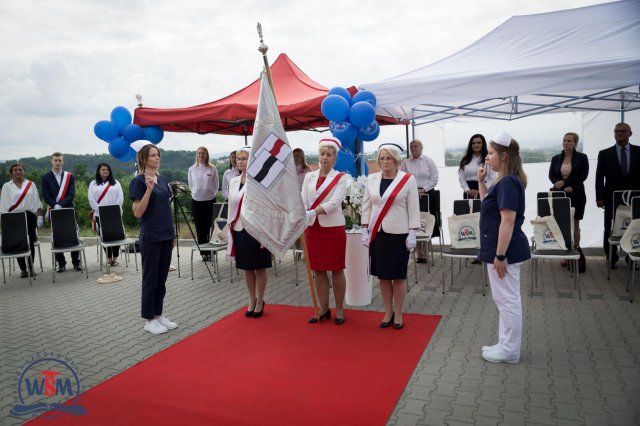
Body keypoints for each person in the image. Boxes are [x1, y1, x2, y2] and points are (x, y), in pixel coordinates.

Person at [477, 131, 530, 364]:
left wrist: (500, 255)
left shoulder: (508, 182)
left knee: (507, 300)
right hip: (500, 249)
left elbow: (507, 220)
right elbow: (488, 206)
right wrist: (481, 182)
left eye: (490, 153)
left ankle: (509, 350)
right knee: (504, 300)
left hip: (503, 251)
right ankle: (505, 345)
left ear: (505, 156)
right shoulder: (505, 181)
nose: (488, 158)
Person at [362, 143, 420, 329]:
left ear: (397, 161)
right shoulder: (371, 179)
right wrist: (364, 228)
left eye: (389, 158)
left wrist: (413, 232)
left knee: (398, 276)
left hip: (399, 234)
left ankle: (399, 313)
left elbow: (413, 208)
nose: (385, 162)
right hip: (378, 233)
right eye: (382, 158)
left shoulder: (407, 179)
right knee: (383, 276)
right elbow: (366, 206)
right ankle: (388, 312)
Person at [130, 143, 177, 335]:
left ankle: (158, 315)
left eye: (158, 155)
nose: (157, 158)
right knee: (150, 279)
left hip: (166, 234)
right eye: (152, 155)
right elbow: (137, 212)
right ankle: (149, 319)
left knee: (161, 279)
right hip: (151, 236)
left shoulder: (163, 178)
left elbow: (165, 209)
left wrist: (172, 233)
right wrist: (149, 190)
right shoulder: (138, 182)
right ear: (143, 159)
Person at [301, 138, 349, 325]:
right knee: (318, 270)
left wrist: (312, 211)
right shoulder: (308, 177)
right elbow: (303, 199)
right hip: (313, 228)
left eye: (329, 155)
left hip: (333, 229)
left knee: (337, 269)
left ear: (335, 158)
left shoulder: (341, 178)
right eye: (322, 154)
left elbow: (334, 202)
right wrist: (305, 214)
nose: (325, 158)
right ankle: (323, 308)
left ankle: (339, 309)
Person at [227, 147, 271, 318]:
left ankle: (260, 300)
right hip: (239, 228)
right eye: (238, 158)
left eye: (244, 158)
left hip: (256, 229)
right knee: (247, 268)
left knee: (259, 267)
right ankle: (251, 299)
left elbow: (266, 207)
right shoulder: (233, 181)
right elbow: (232, 205)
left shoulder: (260, 181)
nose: (240, 161)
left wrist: (266, 232)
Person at [595, 122, 640, 269]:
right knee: (609, 227)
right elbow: (599, 177)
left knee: (633, 226)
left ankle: (631, 256)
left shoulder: (638, 151)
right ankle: (611, 257)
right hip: (611, 197)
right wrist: (599, 197)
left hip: (635, 197)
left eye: (623, 131)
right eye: (617, 131)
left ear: (630, 133)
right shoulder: (604, 154)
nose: (619, 133)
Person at [548, 132, 589, 271]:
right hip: (560, 195)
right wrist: (560, 184)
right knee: (562, 224)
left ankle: (576, 250)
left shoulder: (582, 158)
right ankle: (565, 253)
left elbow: (583, 175)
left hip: (577, 194)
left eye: (569, 141)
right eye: (564, 140)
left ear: (575, 143)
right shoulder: (556, 158)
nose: (566, 143)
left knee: (576, 223)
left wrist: (568, 183)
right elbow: (551, 175)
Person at [0, 163, 43, 277]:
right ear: (11, 172)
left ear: (24, 171)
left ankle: (31, 267)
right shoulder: (7, 186)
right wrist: (5, 222)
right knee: (19, 243)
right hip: (14, 217)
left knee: (30, 243)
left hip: (29, 216)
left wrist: (39, 216)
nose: (18, 172)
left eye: (20, 169)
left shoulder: (30, 184)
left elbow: (37, 201)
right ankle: (23, 269)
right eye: (15, 170)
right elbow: (3, 205)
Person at [41, 152, 81, 272]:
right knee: (56, 237)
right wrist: (55, 205)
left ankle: (76, 262)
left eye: (60, 160)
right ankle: (61, 263)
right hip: (54, 211)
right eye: (55, 160)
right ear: (51, 161)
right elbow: (46, 196)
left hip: (68, 210)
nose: (58, 162)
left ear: (62, 162)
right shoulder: (45, 177)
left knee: (73, 235)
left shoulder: (70, 176)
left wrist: (61, 205)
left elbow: (71, 194)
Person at [400, 139, 438, 263]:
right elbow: (402, 178)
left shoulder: (428, 161)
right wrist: (413, 191)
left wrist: (424, 190)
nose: (413, 148)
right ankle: (418, 254)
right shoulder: (406, 163)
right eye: (411, 146)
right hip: (411, 195)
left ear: (421, 148)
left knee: (427, 222)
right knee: (414, 222)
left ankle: (425, 253)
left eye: (416, 146)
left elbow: (434, 178)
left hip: (427, 194)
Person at [88, 163, 125, 266]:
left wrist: (114, 210)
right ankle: (108, 257)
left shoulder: (116, 182)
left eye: (107, 169)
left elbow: (120, 197)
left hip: (115, 214)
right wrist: (101, 211)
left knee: (115, 236)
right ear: (99, 171)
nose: (105, 171)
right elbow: (91, 199)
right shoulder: (93, 184)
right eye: (103, 169)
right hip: (100, 214)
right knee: (104, 236)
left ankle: (116, 257)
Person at [188, 146, 220, 261]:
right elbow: (191, 185)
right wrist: (196, 193)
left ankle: (212, 252)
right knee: (200, 228)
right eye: (199, 153)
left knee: (210, 227)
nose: (201, 155)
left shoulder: (212, 169)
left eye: (203, 153)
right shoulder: (192, 169)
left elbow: (216, 185)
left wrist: (210, 195)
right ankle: (204, 253)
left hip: (210, 201)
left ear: (207, 155)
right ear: (197, 155)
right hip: (197, 201)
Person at [458, 134, 495, 199]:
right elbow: (461, 177)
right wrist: (467, 190)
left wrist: (480, 191)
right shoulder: (465, 160)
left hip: (485, 190)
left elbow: (492, 178)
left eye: (479, 143)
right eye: (473, 143)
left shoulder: (488, 158)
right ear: (471, 145)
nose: (476, 145)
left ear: (483, 144)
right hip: (469, 192)